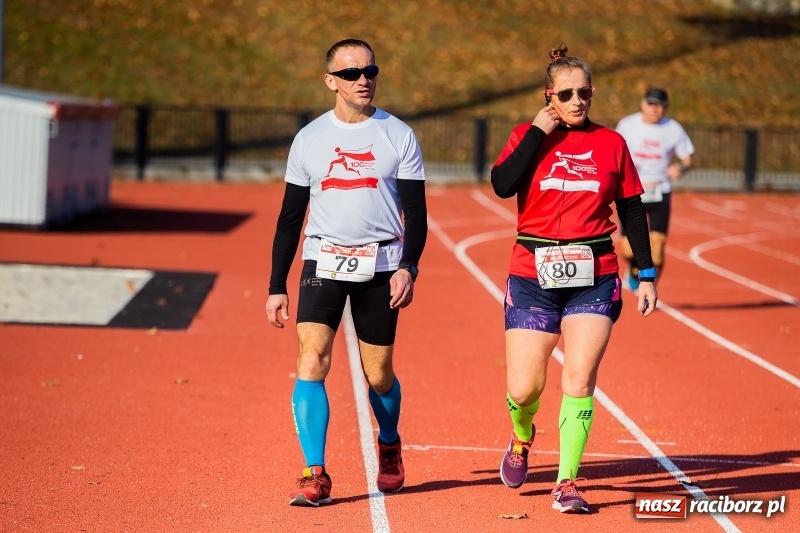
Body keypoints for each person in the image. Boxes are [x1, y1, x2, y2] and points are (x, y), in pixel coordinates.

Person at [490, 43, 658, 514]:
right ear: (549, 96)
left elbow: (631, 207)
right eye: (566, 94)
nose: (577, 101)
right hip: (532, 272)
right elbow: (503, 185)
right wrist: (537, 133)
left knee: (579, 380)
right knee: (523, 389)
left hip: (595, 273)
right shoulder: (527, 134)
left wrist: (645, 273)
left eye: (584, 92)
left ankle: (566, 481)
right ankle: (522, 436)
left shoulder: (611, 143)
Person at [265, 38, 428, 507]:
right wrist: (277, 285)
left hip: (380, 264)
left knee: (378, 375)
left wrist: (408, 267)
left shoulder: (397, 134)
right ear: (330, 81)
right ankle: (314, 472)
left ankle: (390, 442)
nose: (364, 79)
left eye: (370, 70)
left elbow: (415, 213)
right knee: (310, 360)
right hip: (323, 260)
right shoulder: (310, 139)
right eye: (352, 73)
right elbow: (291, 217)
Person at [615, 87, 695, 289]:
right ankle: (634, 267)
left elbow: (688, 159)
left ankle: (649, 282)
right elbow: (614, 152)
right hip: (632, 190)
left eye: (659, 106)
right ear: (643, 104)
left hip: (660, 190)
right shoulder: (627, 125)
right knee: (627, 248)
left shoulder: (673, 128)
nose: (655, 109)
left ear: (665, 108)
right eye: (651, 104)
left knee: (657, 246)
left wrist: (681, 167)